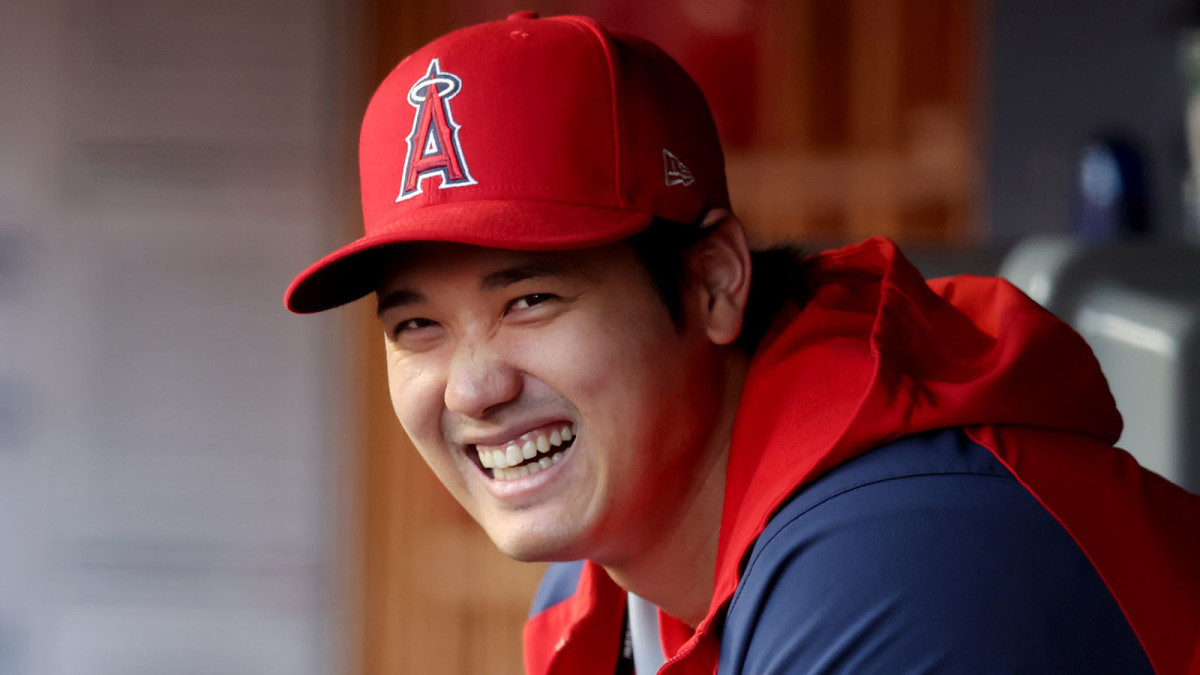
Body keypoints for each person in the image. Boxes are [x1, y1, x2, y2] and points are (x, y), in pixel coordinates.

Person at [285, 12, 1200, 674]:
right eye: (418, 326)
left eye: (530, 298)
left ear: (714, 280)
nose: (474, 386)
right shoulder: (600, 583)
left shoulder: (901, 555)